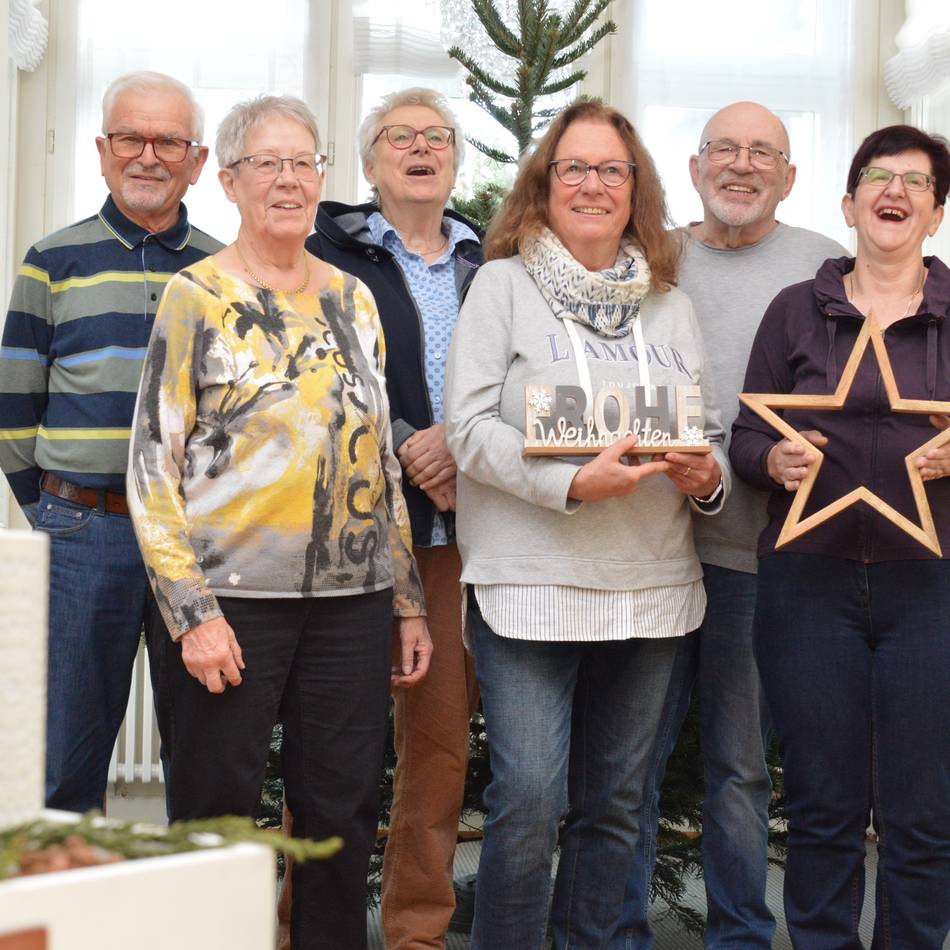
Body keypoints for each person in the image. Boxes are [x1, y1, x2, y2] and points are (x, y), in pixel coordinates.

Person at [126, 94, 431, 950]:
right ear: (228, 180)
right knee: (217, 823)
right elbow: (152, 468)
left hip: (352, 605)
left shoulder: (355, 300)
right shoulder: (196, 297)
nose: (290, 180)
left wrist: (405, 598)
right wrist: (192, 614)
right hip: (230, 606)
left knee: (339, 818)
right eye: (269, 163)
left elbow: (378, 461)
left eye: (305, 162)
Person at [443, 98, 730, 950]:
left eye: (612, 169)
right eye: (575, 168)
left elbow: (703, 434)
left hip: (652, 586)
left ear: (634, 187)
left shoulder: (671, 304)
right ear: (545, 183)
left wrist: (706, 476)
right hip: (527, 585)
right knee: (529, 800)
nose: (593, 185)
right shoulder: (500, 286)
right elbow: (466, 431)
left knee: (617, 803)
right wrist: (572, 483)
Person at [614, 101, 847, 948]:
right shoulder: (646, 261)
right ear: (695, 166)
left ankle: (741, 935)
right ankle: (615, 932)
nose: (741, 166)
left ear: (789, 176)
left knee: (741, 769)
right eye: (724, 149)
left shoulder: (827, 266)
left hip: (757, 557)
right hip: (645, 551)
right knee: (625, 768)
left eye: (763, 153)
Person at [730, 125, 950, 948]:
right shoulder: (795, 311)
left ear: (933, 215)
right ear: (850, 200)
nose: (895, 192)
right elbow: (742, 439)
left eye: (917, 183)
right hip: (808, 585)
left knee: (923, 809)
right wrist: (774, 459)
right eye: (878, 177)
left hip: (930, 586)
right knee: (821, 805)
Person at [0, 71, 219, 812]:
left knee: (206, 758)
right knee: (66, 760)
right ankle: (64, 920)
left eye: (168, 141)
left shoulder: (227, 272)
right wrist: (57, 512)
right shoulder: (50, 262)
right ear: (102, 150)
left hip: (199, 543)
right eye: (131, 137)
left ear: (197, 159)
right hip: (81, 533)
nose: (148, 155)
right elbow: (12, 408)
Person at [305, 87, 481, 949]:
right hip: (352, 540)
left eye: (437, 137)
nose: (421, 148)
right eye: (399, 137)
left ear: (456, 158)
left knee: (439, 754)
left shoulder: (492, 261)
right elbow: (316, 377)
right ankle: (305, 927)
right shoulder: (326, 255)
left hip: (454, 541)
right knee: (330, 756)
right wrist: (413, 441)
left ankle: (415, 933)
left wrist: (467, 450)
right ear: (371, 164)